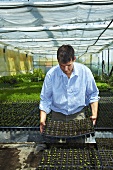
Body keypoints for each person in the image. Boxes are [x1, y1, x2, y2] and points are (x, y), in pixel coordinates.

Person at [39, 45, 99, 136]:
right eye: (62, 66)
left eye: (68, 65)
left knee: (79, 145)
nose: (66, 69)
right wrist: (42, 119)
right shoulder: (51, 75)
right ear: (58, 60)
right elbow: (45, 98)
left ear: (74, 59)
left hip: (78, 115)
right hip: (57, 116)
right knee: (57, 146)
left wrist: (94, 114)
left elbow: (93, 94)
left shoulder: (85, 72)